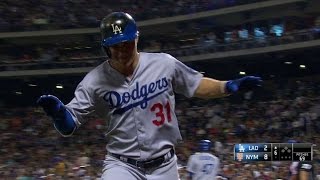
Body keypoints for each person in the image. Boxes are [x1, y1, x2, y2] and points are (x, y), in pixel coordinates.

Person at [37, 12, 262, 180]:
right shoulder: (94, 81)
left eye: (127, 42)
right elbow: (69, 125)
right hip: (122, 165)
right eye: (116, 45)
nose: (123, 49)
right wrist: (58, 114)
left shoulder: (163, 63)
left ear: (136, 39)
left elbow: (195, 85)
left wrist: (228, 86)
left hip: (165, 165)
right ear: (106, 47)